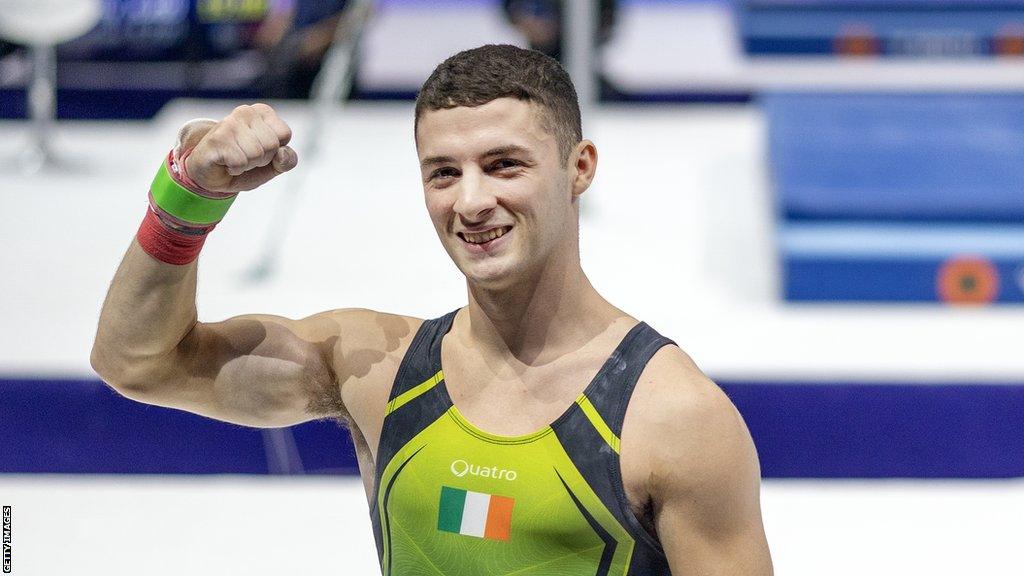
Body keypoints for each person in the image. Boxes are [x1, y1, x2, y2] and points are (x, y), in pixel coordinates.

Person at [91, 44, 772, 575]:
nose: (470, 202)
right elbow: (137, 364)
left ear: (580, 167)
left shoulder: (675, 419)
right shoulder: (373, 368)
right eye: (443, 172)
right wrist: (188, 196)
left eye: (504, 164)